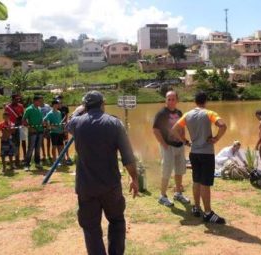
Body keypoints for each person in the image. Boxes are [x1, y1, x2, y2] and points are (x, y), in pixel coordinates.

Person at [66, 91, 138, 255]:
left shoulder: (77, 123)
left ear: (86, 106)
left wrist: (79, 110)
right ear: (103, 104)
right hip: (111, 186)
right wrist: (134, 178)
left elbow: (68, 124)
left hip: (86, 187)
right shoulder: (115, 124)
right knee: (117, 221)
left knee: (91, 228)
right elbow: (127, 156)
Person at [172, 91, 227, 224]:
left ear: (195, 102)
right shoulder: (209, 113)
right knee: (205, 184)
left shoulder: (187, 115)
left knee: (196, 181)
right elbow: (223, 125)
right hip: (206, 153)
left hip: (194, 153)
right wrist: (216, 138)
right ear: (205, 101)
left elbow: (174, 129)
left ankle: (196, 207)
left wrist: (185, 141)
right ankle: (208, 213)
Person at [152, 90, 190, 207]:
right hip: (168, 146)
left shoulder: (179, 112)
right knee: (166, 171)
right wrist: (163, 144)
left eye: (173, 99)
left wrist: (184, 141)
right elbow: (155, 130)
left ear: (177, 100)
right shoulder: (161, 113)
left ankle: (178, 193)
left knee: (179, 171)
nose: (171, 101)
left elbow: (182, 128)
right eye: (169, 99)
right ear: (166, 100)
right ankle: (162, 196)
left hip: (179, 146)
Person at [23, 95, 44, 171]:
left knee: (38, 149)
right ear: (35, 101)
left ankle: (37, 163)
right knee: (30, 148)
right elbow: (24, 121)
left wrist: (43, 123)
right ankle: (26, 164)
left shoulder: (39, 109)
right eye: (39, 101)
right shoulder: (29, 109)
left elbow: (41, 119)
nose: (40, 102)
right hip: (32, 132)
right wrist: (30, 128)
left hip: (40, 131)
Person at [4, 94, 25, 167]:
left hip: (19, 127)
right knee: (11, 144)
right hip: (11, 128)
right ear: (12, 99)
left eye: (18, 99)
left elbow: (23, 116)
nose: (17, 100)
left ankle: (17, 161)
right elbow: (5, 117)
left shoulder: (21, 106)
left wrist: (21, 122)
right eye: (16, 99)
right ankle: (11, 161)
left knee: (18, 144)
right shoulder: (7, 107)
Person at [56, 95, 73, 165]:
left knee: (66, 142)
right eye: (57, 99)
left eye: (60, 99)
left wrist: (65, 127)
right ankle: (61, 158)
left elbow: (66, 116)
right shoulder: (55, 107)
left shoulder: (65, 107)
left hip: (64, 127)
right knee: (59, 143)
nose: (59, 100)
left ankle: (68, 157)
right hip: (57, 127)